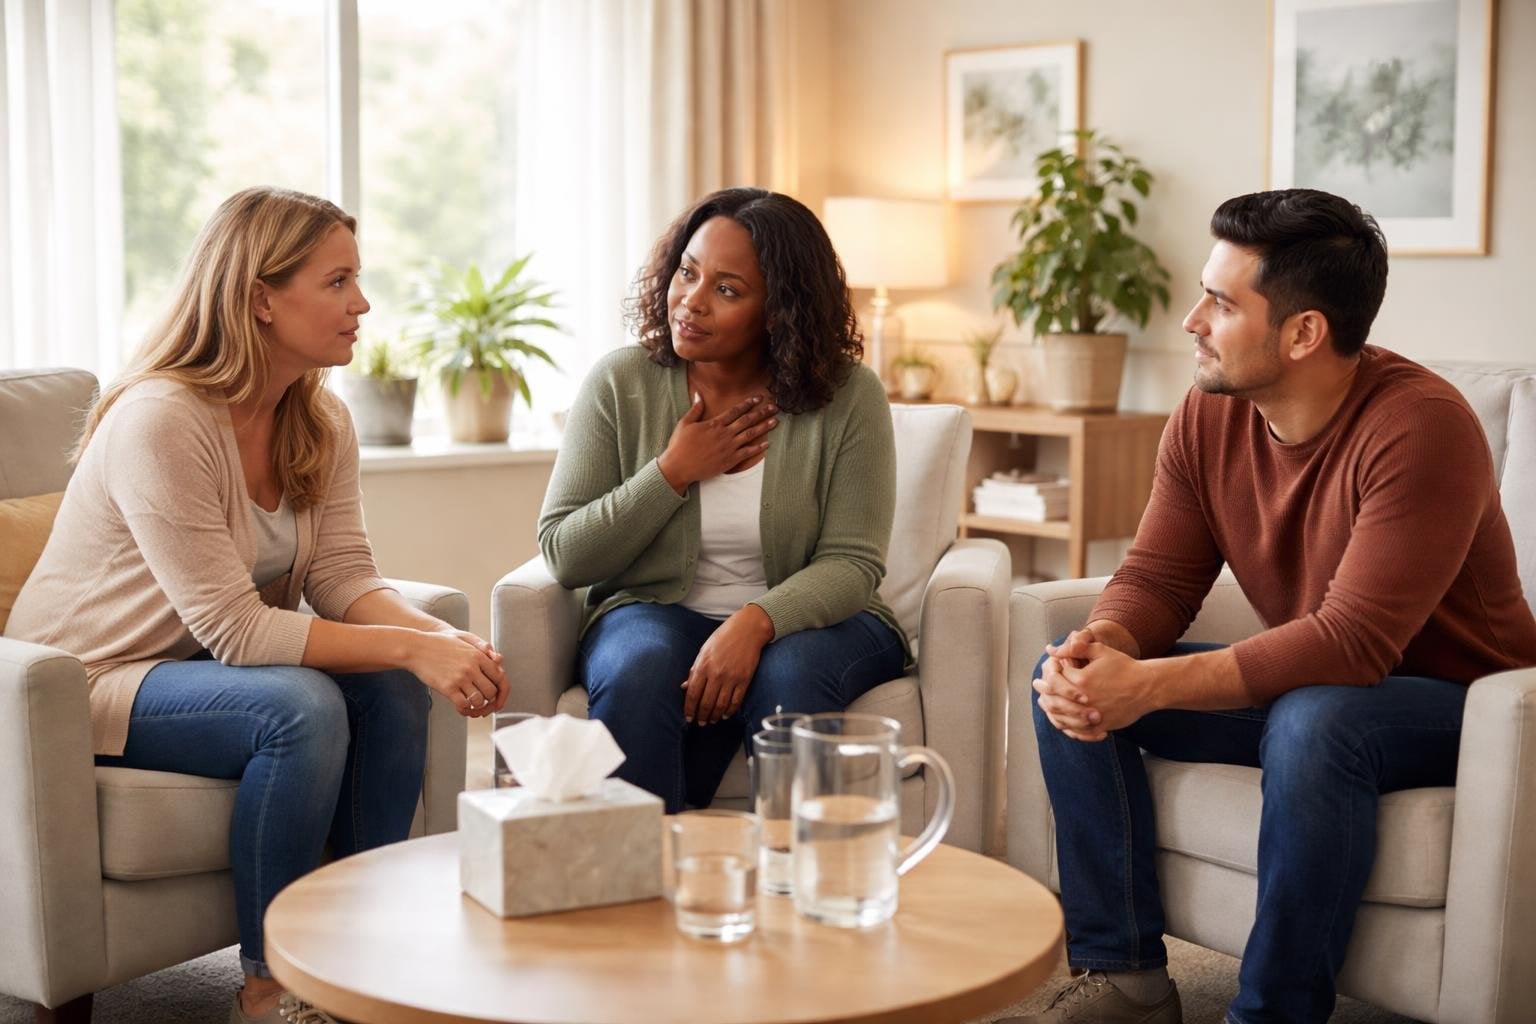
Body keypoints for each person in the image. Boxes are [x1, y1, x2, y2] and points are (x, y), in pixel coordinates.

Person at [1005, 189, 1536, 1024]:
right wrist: (1107, 644)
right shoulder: (1210, 413)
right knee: (1063, 675)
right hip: (1319, 689)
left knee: (1318, 719)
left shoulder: (1422, 426)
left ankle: (1273, 1014)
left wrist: (1149, 687)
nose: (1190, 321)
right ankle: (1129, 977)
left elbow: (1355, 644)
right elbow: (1161, 577)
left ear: (1302, 333)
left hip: (1468, 706)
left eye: (1219, 303)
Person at [5, 187, 509, 1024]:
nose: (363, 302)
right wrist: (415, 649)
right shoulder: (161, 419)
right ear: (259, 299)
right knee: (301, 710)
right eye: (338, 280)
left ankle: (362, 952)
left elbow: (344, 577)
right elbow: (237, 631)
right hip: (84, 682)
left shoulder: (319, 417)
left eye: (359, 277)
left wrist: (441, 639)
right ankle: (271, 983)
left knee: (388, 687)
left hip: (196, 669)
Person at [538, 186, 910, 812]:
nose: (691, 302)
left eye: (727, 290)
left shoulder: (849, 397)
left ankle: (792, 878)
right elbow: (564, 555)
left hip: (819, 624)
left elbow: (853, 562)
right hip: (652, 608)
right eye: (687, 273)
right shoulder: (619, 383)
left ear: (781, 310)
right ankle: (643, 880)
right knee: (637, 670)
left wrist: (755, 622)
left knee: (788, 676)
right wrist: (672, 472)